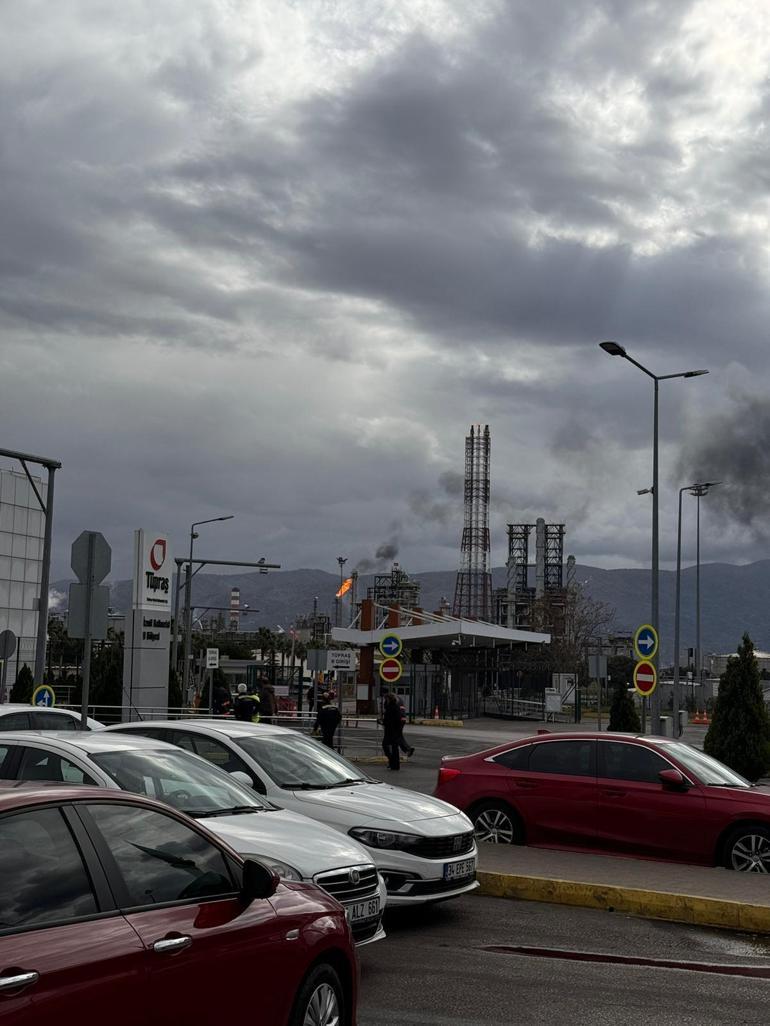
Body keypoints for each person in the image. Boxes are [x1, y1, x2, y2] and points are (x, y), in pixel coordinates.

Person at [382, 693, 402, 770]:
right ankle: (394, 763)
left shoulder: (391, 707)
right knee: (394, 747)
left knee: (386, 745)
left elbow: (390, 719)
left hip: (391, 730)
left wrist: (384, 722)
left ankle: (393, 762)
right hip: (393, 730)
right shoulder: (393, 706)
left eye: (386, 699)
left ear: (388, 699)